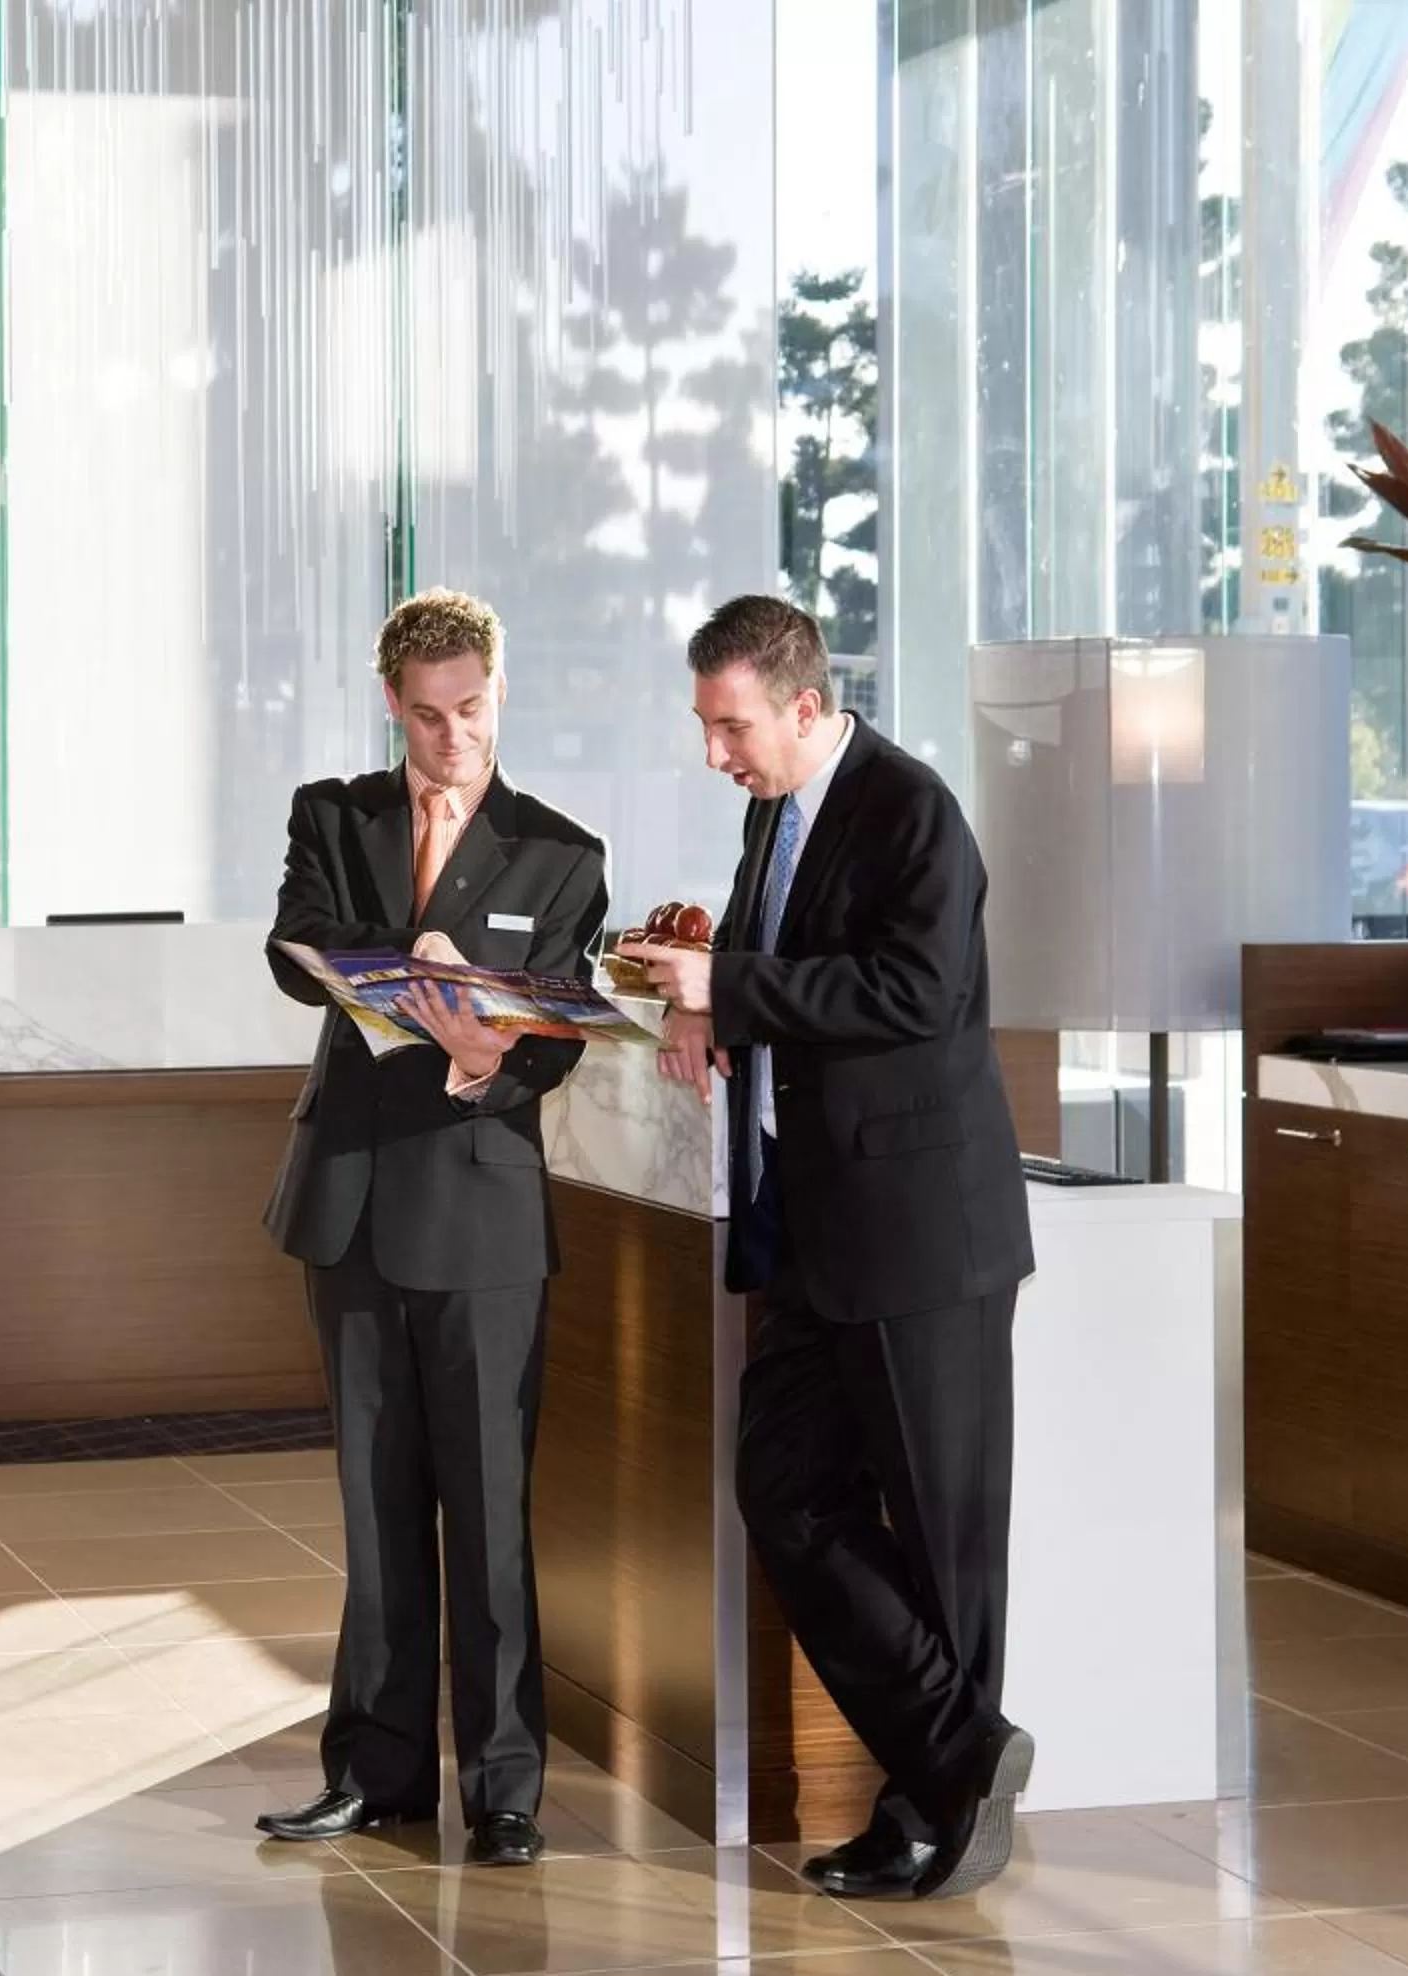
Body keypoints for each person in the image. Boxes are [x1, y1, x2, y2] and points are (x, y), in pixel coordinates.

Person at [624, 595, 1036, 1903]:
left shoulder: (912, 809)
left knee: (940, 1540)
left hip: (921, 1235)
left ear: (804, 706)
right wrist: (706, 995)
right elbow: (788, 971)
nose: (716, 755)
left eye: (730, 726)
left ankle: (937, 1812)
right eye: (706, 728)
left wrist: (727, 991)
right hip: (811, 1225)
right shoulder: (774, 815)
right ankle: (962, 1751)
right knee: (786, 1492)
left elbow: (919, 993)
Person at [254, 589, 609, 1869]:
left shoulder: (563, 852)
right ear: (389, 702)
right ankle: (376, 1770)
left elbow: (554, 1044)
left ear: (499, 691)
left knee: (491, 1510)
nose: (452, 735)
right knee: (375, 1503)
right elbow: (296, 947)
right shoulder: (334, 815)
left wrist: (483, 1057)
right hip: (349, 1202)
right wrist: (422, 964)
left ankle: (506, 1783)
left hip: (482, 1208)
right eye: (426, 715)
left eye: (471, 709)